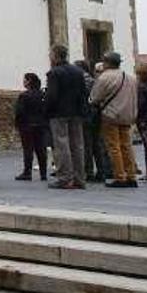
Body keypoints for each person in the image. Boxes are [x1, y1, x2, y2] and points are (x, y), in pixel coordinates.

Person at [89, 52, 139, 188]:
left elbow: (95, 98)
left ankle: (120, 175)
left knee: (114, 146)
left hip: (110, 114)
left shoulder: (104, 77)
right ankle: (131, 175)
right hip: (127, 114)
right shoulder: (130, 77)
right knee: (126, 145)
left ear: (107, 63)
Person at [47, 46, 89, 189]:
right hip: (76, 112)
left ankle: (65, 177)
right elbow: (84, 92)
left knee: (61, 145)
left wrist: (47, 109)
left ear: (55, 56)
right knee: (78, 145)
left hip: (59, 113)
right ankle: (79, 177)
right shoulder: (78, 72)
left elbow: (52, 96)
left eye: (51, 54)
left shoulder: (54, 73)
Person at [14, 73, 50, 181]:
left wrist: (18, 123)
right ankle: (43, 173)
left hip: (27, 125)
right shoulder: (42, 95)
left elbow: (20, 112)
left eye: (25, 80)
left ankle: (27, 172)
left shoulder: (24, 96)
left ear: (29, 81)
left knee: (28, 149)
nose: (23, 82)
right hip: (40, 124)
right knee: (41, 149)